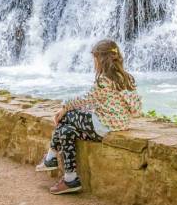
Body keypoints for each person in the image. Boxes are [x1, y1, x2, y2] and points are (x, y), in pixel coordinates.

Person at [36, 39, 142, 195]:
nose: (95, 63)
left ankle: (51, 156)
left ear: (102, 59)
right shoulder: (127, 78)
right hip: (118, 124)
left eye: (95, 59)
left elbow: (85, 99)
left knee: (69, 115)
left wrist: (64, 108)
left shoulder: (104, 80)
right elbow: (134, 108)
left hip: (102, 126)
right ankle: (70, 179)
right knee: (66, 131)